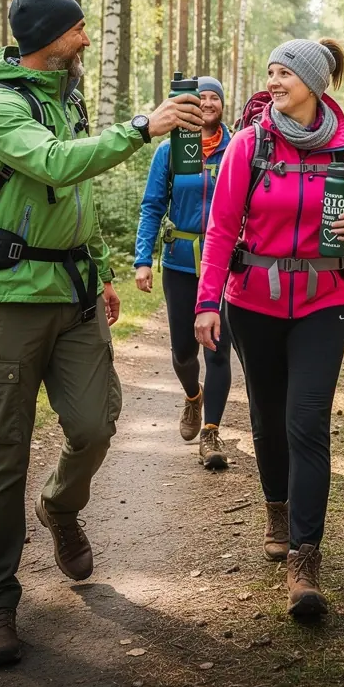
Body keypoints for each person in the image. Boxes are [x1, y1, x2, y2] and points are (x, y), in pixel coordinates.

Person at [0, 0, 199, 666]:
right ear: (48, 38)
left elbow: (75, 193)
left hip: (75, 294)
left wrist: (99, 269)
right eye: (77, 32)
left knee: (96, 425)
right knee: (4, 453)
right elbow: (53, 163)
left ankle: (60, 506)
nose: (87, 40)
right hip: (10, 299)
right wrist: (142, 127)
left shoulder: (64, 98)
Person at [194, 38, 344, 618]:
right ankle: (276, 506)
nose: (273, 82)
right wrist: (206, 302)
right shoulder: (248, 145)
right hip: (253, 302)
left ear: (314, 83)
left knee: (308, 420)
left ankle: (305, 557)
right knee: (269, 418)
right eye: (270, 72)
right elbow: (221, 228)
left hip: (325, 301)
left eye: (285, 74)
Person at [134, 77, 233, 469]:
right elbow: (152, 206)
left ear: (223, 105)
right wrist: (143, 259)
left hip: (224, 264)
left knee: (218, 350)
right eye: (201, 97)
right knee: (183, 352)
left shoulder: (237, 148)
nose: (207, 103)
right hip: (179, 263)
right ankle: (193, 396)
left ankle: (211, 431)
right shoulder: (170, 150)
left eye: (214, 98)